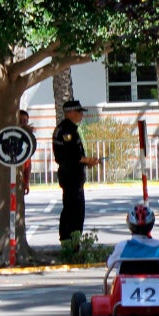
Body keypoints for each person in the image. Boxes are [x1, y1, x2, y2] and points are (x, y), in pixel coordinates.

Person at [53, 100, 100, 242]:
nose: (81, 115)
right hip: (71, 175)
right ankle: (71, 242)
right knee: (75, 211)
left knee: (71, 208)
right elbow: (72, 155)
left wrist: (87, 162)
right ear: (70, 113)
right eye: (79, 112)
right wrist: (88, 160)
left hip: (71, 174)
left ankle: (70, 240)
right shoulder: (67, 130)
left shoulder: (66, 128)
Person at [106, 204, 159, 274]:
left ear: (130, 226)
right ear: (151, 225)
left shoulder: (122, 246)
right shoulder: (158, 247)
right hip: (155, 283)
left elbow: (110, 264)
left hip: (126, 284)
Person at [18, 110, 36, 195]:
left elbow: (28, 163)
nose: (22, 124)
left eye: (24, 121)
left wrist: (27, 182)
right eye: (20, 121)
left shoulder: (27, 142)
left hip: (22, 178)